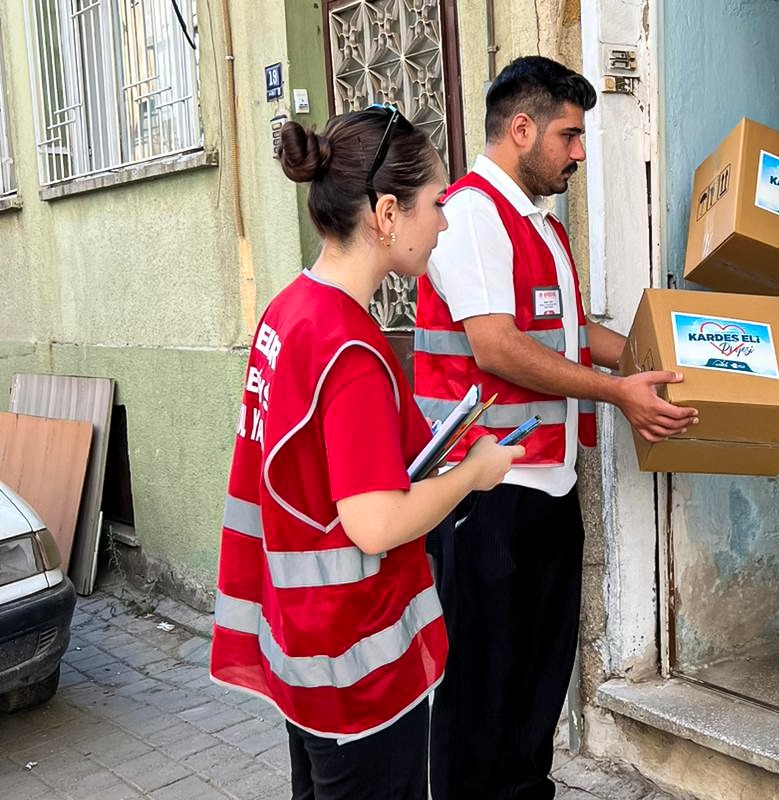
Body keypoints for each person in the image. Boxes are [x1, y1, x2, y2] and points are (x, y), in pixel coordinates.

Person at [209, 104, 523, 800]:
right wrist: (473, 474)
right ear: (387, 214)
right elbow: (375, 523)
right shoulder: (349, 347)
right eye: (436, 204)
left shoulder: (291, 310)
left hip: (306, 650)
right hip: (360, 670)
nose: (443, 222)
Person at [415, 56, 697, 799]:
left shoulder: (538, 223)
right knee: (483, 685)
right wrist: (618, 394)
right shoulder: (472, 214)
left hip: (544, 489)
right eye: (570, 135)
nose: (579, 152)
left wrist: (671, 357)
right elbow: (497, 346)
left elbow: (571, 333)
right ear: (520, 129)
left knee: (538, 679)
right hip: (486, 494)